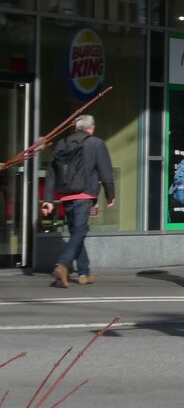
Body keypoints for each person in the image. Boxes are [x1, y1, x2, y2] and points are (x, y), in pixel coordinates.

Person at [40, 115, 114, 289]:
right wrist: (110, 195)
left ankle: (84, 273)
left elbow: (51, 173)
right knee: (79, 231)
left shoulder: (61, 144)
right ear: (91, 128)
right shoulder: (96, 143)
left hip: (66, 195)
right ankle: (62, 264)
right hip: (85, 194)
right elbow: (106, 172)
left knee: (76, 232)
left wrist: (48, 199)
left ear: (76, 128)